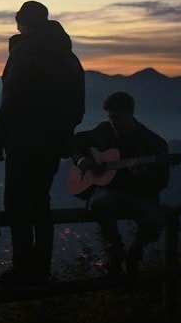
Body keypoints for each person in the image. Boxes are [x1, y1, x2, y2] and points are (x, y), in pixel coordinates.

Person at [0, 1, 85, 286]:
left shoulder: (25, 53)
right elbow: (77, 106)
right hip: (53, 143)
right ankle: (41, 269)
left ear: (21, 23)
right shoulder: (68, 57)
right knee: (40, 204)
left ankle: (22, 269)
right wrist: (62, 134)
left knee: (17, 205)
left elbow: (12, 100)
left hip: (23, 141)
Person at [71, 92, 169, 277]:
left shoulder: (153, 143)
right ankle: (113, 248)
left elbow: (161, 182)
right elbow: (75, 142)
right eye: (110, 117)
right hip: (108, 191)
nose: (113, 122)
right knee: (101, 202)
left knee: (156, 220)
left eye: (117, 118)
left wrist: (144, 174)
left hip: (138, 195)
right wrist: (81, 158)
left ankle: (135, 252)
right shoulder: (103, 131)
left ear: (130, 113)